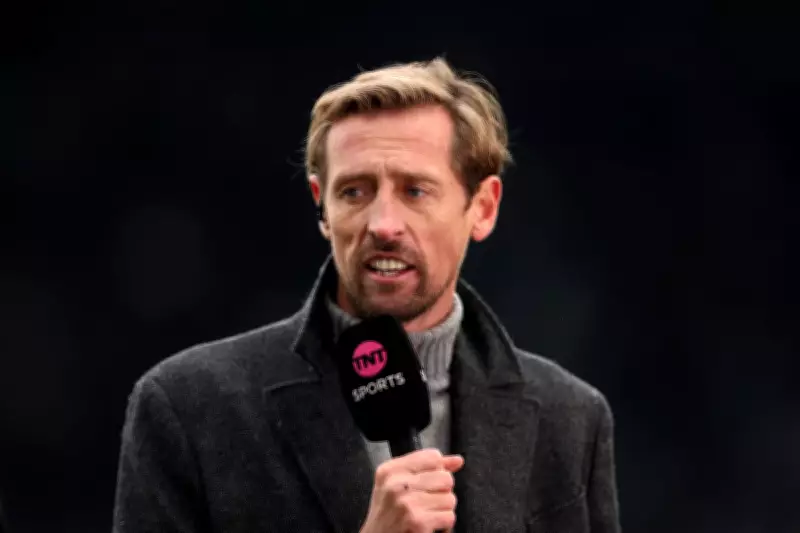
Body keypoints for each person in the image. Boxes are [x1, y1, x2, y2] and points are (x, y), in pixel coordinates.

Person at [113, 57, 621, 533]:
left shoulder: (572, 418)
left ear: (483, 207)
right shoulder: (188, 406)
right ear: (322, 207)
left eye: (415, 190)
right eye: (354, 191)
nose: (383, 224)